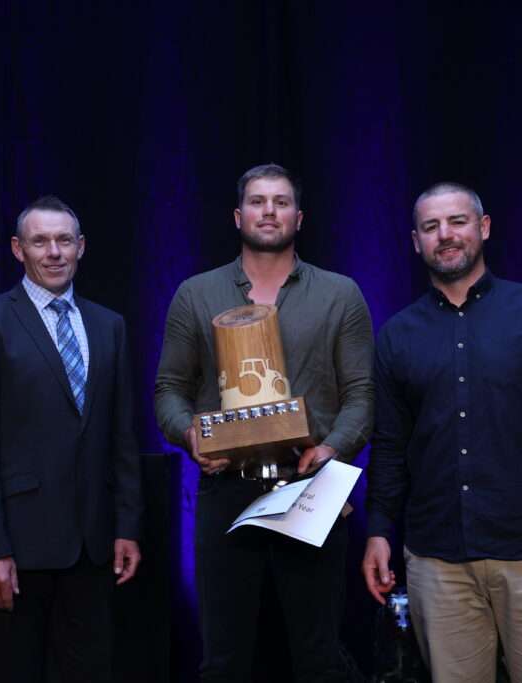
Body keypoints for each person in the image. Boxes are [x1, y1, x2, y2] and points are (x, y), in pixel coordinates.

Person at [362, 182, 522, 683]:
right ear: (416, 242)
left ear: (483, 228)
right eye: (431, 227)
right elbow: (390, 445)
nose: (446, 235)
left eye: (457, 221)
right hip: (438, 564)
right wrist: (378, 530)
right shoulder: (397, 336)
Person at [155, 164, 374, 681]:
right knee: (225, 661)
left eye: (280, 202)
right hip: (227, 489)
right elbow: (169, 391)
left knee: (318, 657)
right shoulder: (196, 293)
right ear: (238, 216)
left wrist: (333, 449)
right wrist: (191, 436)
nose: (269, 211)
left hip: (311, 489)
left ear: (300, 216)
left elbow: (362, 396)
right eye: (257, 201)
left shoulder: (341, 294)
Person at [0, 195, 142, 683]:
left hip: (92, 547)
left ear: (81, 247)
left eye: (64, 240)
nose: (53, 251)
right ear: (18, 249)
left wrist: (127, 526)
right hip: (17, 548)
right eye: (40, 241)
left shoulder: (109, 325)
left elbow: (121, 436)